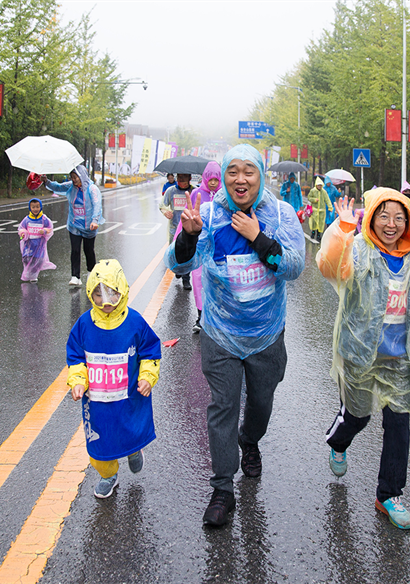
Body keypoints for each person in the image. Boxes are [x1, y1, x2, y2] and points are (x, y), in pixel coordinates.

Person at [164, 144, 305, 527]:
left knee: (260, 404)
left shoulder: (279, 214)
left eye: (249, 172)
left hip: (266, 335)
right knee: (222, 407)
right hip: (221, 333)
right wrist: (189, 237)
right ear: (223, 176)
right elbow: (178, 262)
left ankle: (251, 440)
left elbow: (293, 268)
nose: (240, 180)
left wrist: (259, 237)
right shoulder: (207, 215)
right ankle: (222, 489)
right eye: (233, 172)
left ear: (261, 176)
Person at [317, 188, 410, 530]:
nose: (391, 224)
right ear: (372, 217)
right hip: (360, 354)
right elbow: (329, 265)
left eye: (399, 217)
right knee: (357, 416)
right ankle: (338, 441)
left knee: (399, 427)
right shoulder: (359, 249)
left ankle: (389, 494)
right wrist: (343, 227)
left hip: (399, 361)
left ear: (407, 222)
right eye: (383, 215)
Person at [66, 259, 162, 499]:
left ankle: (133, 450)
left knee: (128, 429)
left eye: (112, 293)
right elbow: (75, 357)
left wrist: (148, 377)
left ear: (123, 290)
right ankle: (108, 475)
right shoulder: (84, 325)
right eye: (98, 294)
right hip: (97, 402)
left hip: (128, 396)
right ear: (90, 293)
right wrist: (78, 381)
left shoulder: (135, 323)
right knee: (100, 446)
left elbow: (151, 351)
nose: (105, 301)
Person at [172, 161, 222, 333]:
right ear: (205, 178)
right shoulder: (197, 194)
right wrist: (178, 239)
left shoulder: (225, 195)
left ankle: (216, 317)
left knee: (217, 282)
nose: (213, 182)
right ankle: (200, 317)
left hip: (218, 249)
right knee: (198, 280)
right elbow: (185, 216)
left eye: (217, 179)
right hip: (199, 245)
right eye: (211, 178)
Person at [43, 165, 104, 287]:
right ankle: (75, 276)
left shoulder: (92, 189)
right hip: (74, 225)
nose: (74, 180)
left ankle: (91, 273)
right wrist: (46, 182)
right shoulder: (71, 187)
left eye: (76, 177)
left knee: (89, 251)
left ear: (82, 175)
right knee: (75, 250)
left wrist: (95, 220)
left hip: (89, 226)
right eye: (72, 177)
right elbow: (58, 187)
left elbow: (97, 204)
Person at [160, 173, 194, 289]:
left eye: (184, 177)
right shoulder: (171, 191)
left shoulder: (194, 191)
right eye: (179, 177)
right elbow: (162, 204)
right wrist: (165, 211)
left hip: (189, 230)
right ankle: (178, 270)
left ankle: (186, 279)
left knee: (188, 254)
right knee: (176, 253)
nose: (181, 180)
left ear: (190, 178)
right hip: (174, 229)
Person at [18, 198, 56, 283]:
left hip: (39, 244)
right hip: (29, 244)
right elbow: (21, 228)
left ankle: (34, 274)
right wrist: (23, 234)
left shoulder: (44, 219)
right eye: (33, 207)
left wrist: (45, 231)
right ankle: (28, 272)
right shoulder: (27, 219)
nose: (35, 209)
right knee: (26, 259)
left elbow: (50, 228)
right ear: (30, 208)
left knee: (38, 260)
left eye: (37, 207)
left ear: (41, 207)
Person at [308, 177, 333, 242]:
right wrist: (314, 200)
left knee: (320, 224)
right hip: (314, 210)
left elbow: (327, 199)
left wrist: (330, 207)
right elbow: (309, 198)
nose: (319, 186)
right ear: (316, 185)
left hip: (322, 211)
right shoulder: (313, 191)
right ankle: (313, 233)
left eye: (320, 185)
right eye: (318, 185)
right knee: (314, 223)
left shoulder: (324, 192)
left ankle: (319, 235)